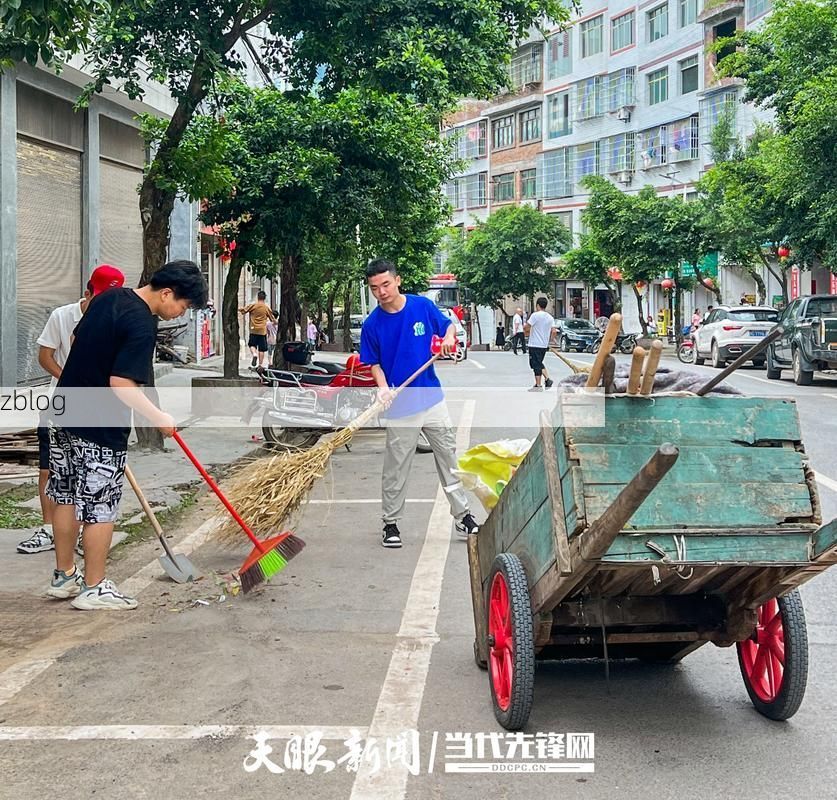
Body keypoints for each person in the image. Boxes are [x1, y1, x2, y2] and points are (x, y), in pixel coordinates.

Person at [46, 260, 207, 610]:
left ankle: (64, 576)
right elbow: (121, 383)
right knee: (100, 507)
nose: (180, 313)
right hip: (99, 425)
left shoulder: (108, 298)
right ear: (167, 293)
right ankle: (94, 588)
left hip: (64, 412)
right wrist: (159, 417)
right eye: (183, 306)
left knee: (66, 495)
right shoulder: (142, 324)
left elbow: (76, 340)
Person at [360, 259, 480, 549]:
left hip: (432, 399)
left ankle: (463, 515)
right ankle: (391, 523)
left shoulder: (422, 307)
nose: (381, 292)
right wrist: (383, 388)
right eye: (375, 288)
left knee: (449, 459)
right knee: (396, 467)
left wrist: (448, 339)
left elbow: (448, 327)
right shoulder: (372, 325)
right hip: (401, 407)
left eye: (386, 284)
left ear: (397, 280)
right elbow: (374, 364)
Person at [17, 265, 126, 556]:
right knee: (49, 469)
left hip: (97, 410)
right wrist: (70, 379)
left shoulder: (116, 321)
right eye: (99, 298)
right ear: (87, 292)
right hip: (60, 403)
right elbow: (45, 356)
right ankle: (48, 529)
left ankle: (81, 534)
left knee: (90, 475)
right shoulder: (63, 316)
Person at [524, 297, 557, 391]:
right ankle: (546, 380)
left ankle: (539, 384)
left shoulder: (535, 315)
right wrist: (551, 339)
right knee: (538, 363)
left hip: (534, 344)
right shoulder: (550, 317)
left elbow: (527, 327)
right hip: (543, 345)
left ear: (537, 305)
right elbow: (554, 331)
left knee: (536, 365)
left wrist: (526, 332)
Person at [239, 290, 275, 369]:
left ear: (258, 297)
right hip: (262, 331)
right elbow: (272, 319)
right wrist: (276, 322)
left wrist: (238, 309)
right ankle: (260, 365)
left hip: (253, 329)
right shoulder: (266, 308)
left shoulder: (253, 306)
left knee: (252, 344)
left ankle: (254, 354)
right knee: (261, 349)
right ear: (264, 298)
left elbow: (244, 310)